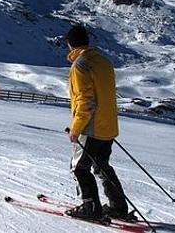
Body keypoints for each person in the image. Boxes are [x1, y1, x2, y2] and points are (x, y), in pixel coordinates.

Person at [64, 24, 128, 221]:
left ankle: (90, 208)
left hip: (90, 127)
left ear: (69, 44)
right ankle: (118, 207)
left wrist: (76, 129)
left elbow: (85, 101)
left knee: (79, 167)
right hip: (108, 125)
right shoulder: (103, 62)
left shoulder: (80, 66)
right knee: (101, 166)